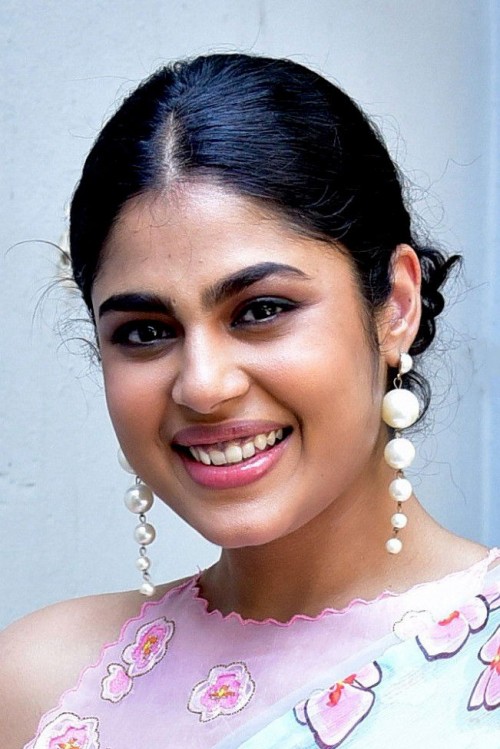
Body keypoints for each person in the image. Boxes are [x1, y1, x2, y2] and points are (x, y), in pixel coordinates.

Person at [1, 53, 499, 749]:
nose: (203, 386)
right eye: (145, 331)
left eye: (261, 310)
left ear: (396, 306)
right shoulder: (35, 684)